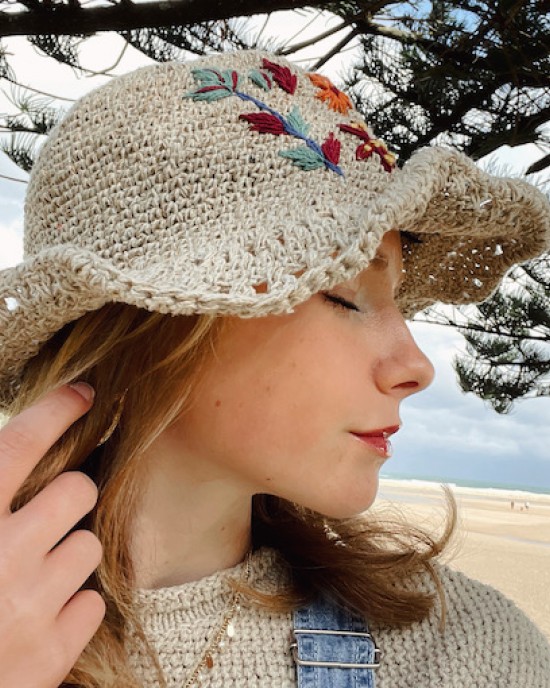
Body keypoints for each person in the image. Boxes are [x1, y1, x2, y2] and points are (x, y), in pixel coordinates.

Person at [0, 49, 549, 688]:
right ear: (161, 316)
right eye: (343, 293)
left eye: (399, 305)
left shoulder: (467, 652)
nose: (416, 366)